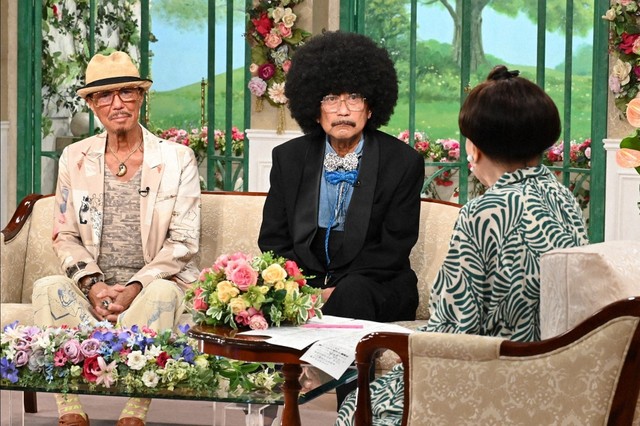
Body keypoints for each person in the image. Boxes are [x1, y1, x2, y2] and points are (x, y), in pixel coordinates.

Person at [335, 65, 590, 425]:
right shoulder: (562, 197)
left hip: (492, 381)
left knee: (358, 405)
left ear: (474, 148)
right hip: (553, 376)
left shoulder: (482, 212)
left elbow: (454, 331)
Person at [31, 51, 201, 426]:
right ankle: (68, 407)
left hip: (150, 290)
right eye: (105, 95)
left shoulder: (177, 159)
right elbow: (64, 234)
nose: (117, 104)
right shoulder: (74, 157)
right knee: (46, 288)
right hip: (93, 295)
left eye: (127, 92)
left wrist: (135, 287)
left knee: (163, 292)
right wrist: (93, 284)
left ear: (141, 97)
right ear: (92, 104)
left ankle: (135, 409)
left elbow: (184, 242)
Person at [258, 31, 425, 324]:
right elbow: (274, 239)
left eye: (355, 98)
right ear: (314, 108)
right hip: (306, 279)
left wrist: (332, 291)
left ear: (371, 108)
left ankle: (321, 354)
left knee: (353, 293)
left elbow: (393, 249)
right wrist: (304, 286)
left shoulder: (403, 162)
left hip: (375, 282)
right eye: (331, 98)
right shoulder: (289, 158)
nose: (343, 110)